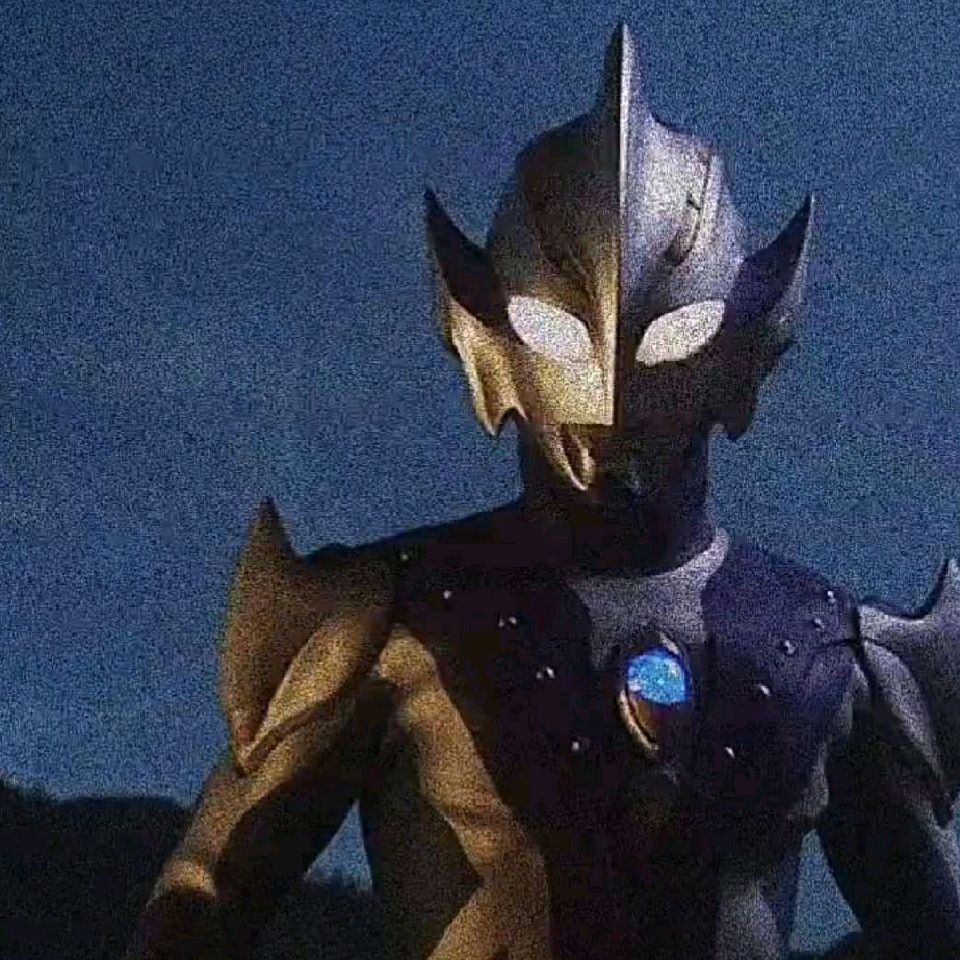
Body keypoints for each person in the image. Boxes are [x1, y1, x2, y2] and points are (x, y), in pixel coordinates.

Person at [126, 23, 960, 960]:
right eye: (559, 333)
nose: (610, 395)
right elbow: (200, 900)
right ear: (493, 337)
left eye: (672, 337)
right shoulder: (392, 624)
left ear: (738, 344)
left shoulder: (825, 651)